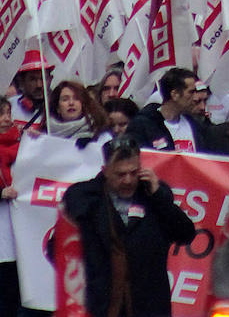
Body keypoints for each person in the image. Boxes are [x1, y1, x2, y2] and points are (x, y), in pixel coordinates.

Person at [59, 136, 196, 317]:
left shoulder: (154, 195)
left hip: (148, 306)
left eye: (133, 172)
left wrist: (159, 197)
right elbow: (58, 248)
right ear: (105, 171)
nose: (128, 180)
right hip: (100, 305)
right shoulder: (83, 198)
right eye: (120, 174)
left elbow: (186, 234)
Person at [126, 67, 211, 152]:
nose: (195, 98)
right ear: (175, 95)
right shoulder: (143, 126)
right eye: (191, 92)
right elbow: (133, 158)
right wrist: (167, 159)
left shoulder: (197, 125)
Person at [0, 97, 20, 317]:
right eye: (1, 114)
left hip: (19, 239)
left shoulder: (22, 145)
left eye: (8, 112)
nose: (6, 118)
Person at [40, 80, 109, 143]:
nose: (71, 103)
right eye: (65, 99)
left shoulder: (100, 132)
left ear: (83, 104)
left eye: (76, 98)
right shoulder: (45, 134)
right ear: (57, 107)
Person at [10, 48, 52, 123]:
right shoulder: (10, 107)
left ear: (50, 79)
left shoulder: (60, 106)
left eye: (43, 78)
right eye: (33, 79)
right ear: (22, 81)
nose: (39, 85)